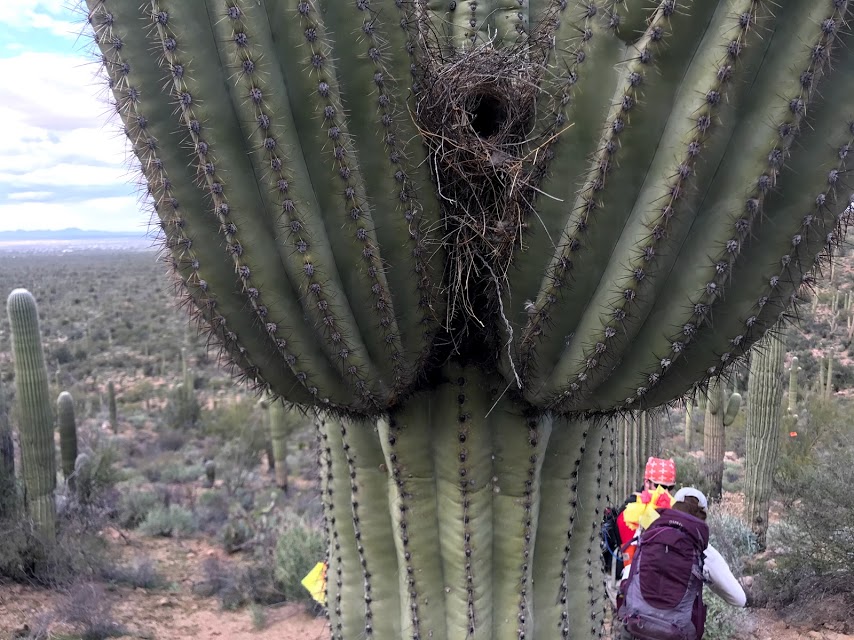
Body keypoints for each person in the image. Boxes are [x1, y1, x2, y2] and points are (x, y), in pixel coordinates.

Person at [615, 487, 746, 640]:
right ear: (703, 517)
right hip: (675, 633)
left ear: (673, 507)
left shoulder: (648, 532)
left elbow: (628, 572)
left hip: (635, 626)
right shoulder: (704, 552)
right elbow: (739, 599)